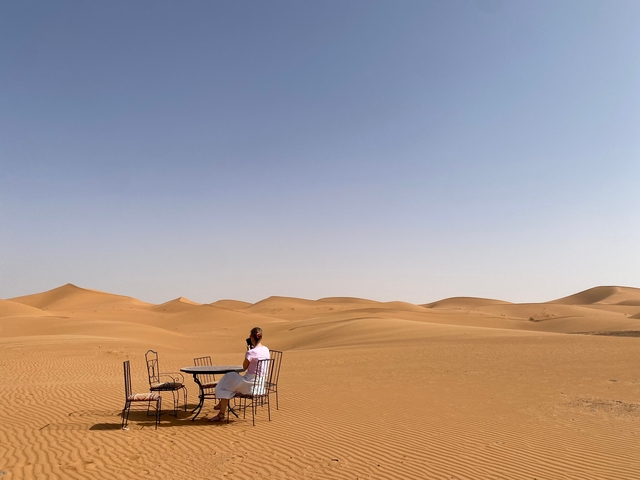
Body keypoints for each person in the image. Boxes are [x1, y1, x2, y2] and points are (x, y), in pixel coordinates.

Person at [209, 326, 270, 422]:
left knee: (228, 377)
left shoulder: (251, 352)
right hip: (261, 385)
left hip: (250, 385)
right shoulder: (266, 349)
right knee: (229, 382)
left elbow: (245, 366)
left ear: (251, 337)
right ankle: (221, 410)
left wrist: (248, 352)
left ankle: (221, 408)